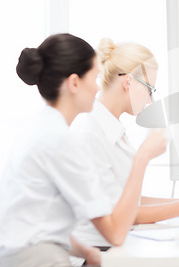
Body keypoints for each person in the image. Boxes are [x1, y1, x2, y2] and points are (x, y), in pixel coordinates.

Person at [0, 34, 167, 267]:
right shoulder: (61, 140)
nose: (98, 87)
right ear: (75, 83)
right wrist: (143, 158)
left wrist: (85, 251)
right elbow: (116, 233)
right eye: (95, 77)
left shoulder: (42, 128)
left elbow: (40, 219)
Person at [71, 38, 179, 248]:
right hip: (97, 252)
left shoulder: (113, 129)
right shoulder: (91, 133)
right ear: (128, 82)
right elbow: (122, 214)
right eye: (150, 89)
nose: (150, 101)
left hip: (115, 246)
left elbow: (129, 199)